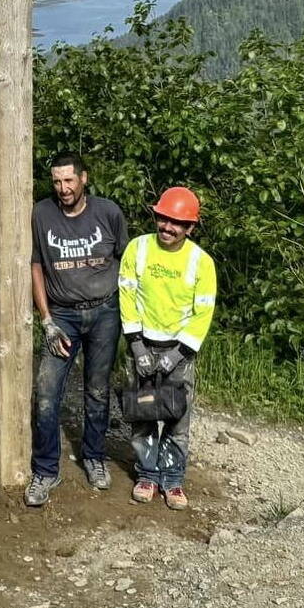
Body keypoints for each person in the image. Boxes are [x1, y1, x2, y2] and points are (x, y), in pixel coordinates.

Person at [27, 151, 129, 507]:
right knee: (45, 393)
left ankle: (94, 457)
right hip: (63, 316)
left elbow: (125, 262)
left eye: (69, 180)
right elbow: (36, 265)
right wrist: (46, 319)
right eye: (57, 181)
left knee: (98, 392)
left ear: (83, 178)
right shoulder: (42, 213)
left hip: (104, 313)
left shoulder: (108, 212)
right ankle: (45, 468)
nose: (63, 188)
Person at [119, 186, 216, 510]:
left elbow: (203, 313)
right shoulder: (138, 249)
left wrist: (178, 354)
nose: (168, 228)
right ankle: (147, 474)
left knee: (177, 419)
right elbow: (127, 296)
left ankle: (173, 480)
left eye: (176, 223)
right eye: (163, 219)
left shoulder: (201, 263)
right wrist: (136, 346)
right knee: (143, 414)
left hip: (179, 353)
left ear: (190, 227)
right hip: (143, 345)